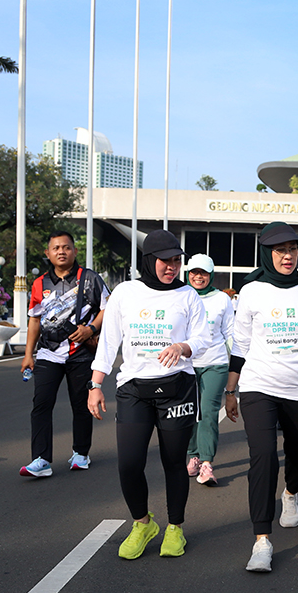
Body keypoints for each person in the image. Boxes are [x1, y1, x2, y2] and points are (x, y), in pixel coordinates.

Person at [88, 230, 210, 560]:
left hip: (176, 391)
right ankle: (143, 523)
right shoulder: (126, 293)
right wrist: (96, 384)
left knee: (174, 462)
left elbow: (204, 338)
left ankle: (175, 528)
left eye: (176, 261)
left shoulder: (188, 296)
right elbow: (109, 341)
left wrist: (183, 346)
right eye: (165, 260)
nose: (171, 267)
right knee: (129, 464)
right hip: (134, 391)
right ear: (148, 260)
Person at [223, 222, 298, 573]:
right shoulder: (252, 291)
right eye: (280, 250)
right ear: (267, 253)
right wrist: (231, 389)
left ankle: (290, 494)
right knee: (263, 457)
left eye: (292, 249)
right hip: (258, 385)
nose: (288, 256)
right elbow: (240, 343)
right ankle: (261, 541)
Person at [20, 230, 109, 478]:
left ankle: (81, 454)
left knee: (81, 405)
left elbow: (108, 308)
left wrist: (90, 328)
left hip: (80, 354)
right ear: (48, 253)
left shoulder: (90, 279)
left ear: (75, 251)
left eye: (66, 247)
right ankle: (41, 459)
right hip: (48, 353)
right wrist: (29, 355)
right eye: (56, 248)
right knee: (41, 405)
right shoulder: (40, 284)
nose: (61, 251)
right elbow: (34, 321)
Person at [184, 253, 235, 486]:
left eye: (203, 273)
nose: (198, 277)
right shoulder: (180, 296)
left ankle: (206, 463)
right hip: (185, 364)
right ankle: (192, 455)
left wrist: (236, 366)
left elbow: (230, 333)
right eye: (194, 272)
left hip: (215, 362)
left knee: (207, 410)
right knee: (188, 411)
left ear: (211, 275)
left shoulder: (222, 300)